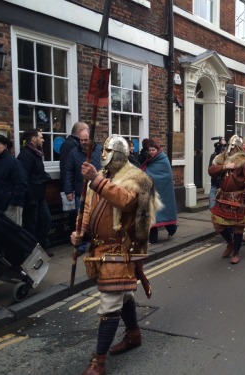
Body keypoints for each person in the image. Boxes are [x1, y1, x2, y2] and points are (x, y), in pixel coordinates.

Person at [70, 134, 159, 375]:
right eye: (103, 151)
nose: (104, 156)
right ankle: (134, 335)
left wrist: (95, 180)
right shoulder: (101, 178)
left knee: (110, 303)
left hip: (121, 249)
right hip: (100, 249)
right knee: (125, 296)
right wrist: (80, 231)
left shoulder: (137, 179)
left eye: (108, 151)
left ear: (119, 154)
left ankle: (98, 361)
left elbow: (126, 201)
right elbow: (88, 208)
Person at [208, 135, 245, 264]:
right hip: (223, 198)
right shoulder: (221, 158)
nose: (231, 149)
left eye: (233, 147)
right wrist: (225, 167)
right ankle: (230, 243)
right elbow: (211, 170)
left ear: (238, 148)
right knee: (217, 223)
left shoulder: (244, 161)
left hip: (238, 199)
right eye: (229, 146)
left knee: (238, 227)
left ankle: (236, 252)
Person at [18, 129, 53, 256]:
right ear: (33, 139)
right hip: (31, 197)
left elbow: (36, 172)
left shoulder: (36, 153)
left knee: (46, 220)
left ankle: (42, 247)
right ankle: (33, 252)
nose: (43, 139)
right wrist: (29, 197)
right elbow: (24, 177)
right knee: (31, 225)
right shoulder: (26, 155)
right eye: (41, 137)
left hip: (39, 195)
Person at [141, 141, 177, 243]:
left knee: (163, 213)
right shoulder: (150, 160)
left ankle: (172, 229)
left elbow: (165, 175)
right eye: (150, 150)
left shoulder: (163, 160)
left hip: (163, 192)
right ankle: (152, 239)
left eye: (153, 150)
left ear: (158, 150)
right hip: (151, 193)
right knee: (152, 214)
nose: (151, 152)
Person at [0, 134, 27, 225]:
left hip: (10, 207)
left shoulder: (13, 162)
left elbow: (21, 184)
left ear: (5, 146)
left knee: (12, 234)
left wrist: (13, 203)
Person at [63, 127, 103, 212]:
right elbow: (68, 172)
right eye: (81, 140)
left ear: (92, 139)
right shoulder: (73, 152)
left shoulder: (101, 150)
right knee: (81, 218)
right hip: (81, 192)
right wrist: (68, 191)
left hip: (98, 191)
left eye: (86, 140)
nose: (83, 142)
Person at [208, 136, 227, 210]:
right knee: (213, 195)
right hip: (216, 181)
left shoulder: (226, 156)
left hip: (221, 182)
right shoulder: (214, 156)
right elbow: (210, 169)